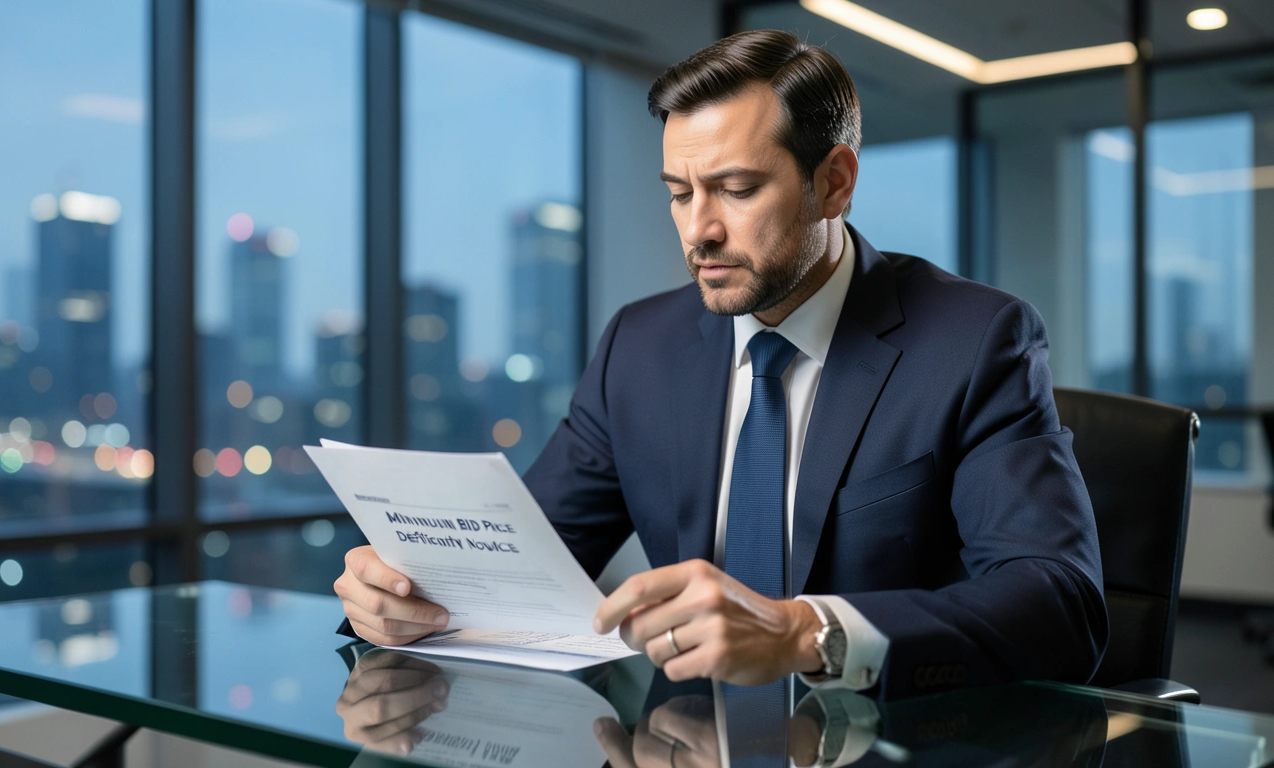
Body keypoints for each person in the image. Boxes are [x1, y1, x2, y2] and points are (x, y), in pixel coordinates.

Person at [334, 28, 1107, 700]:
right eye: (679, 193)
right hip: (685, 740)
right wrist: (400, 598)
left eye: (736, 189)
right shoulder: (639, 348)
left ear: (833, 182)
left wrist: (808, 632)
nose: (698, 230)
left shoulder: (974, 341)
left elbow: (1058, 601)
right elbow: (526, 568)